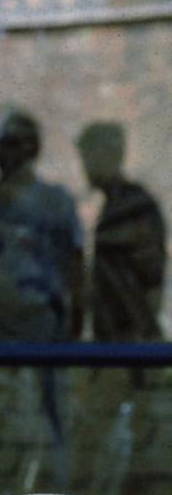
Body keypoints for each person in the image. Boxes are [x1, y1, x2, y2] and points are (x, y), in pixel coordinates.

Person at [0, 109, 84, 341]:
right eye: (3, 144)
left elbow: (75, 262)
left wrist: (76, 319)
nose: (7, 153)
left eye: (15, 144)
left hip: (43, 323)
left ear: (32, 148)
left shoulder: (56, 202)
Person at [77, 120, 166, 343]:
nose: (86, 167)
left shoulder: (134, 207)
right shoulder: (113, 206)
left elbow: (151, 274)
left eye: (90, 157)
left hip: (131, 342)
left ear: (110, 156)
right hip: (112, 340)